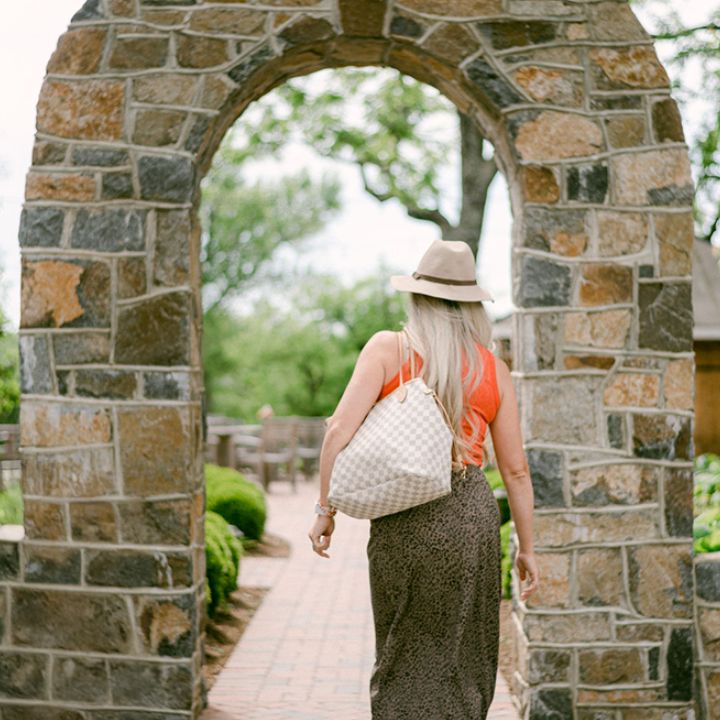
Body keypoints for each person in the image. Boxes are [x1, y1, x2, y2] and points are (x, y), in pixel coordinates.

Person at [308, 239, 539, 719]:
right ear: (471, 304)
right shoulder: (493, 368)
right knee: (464, 648)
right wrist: (527, 547)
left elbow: (336, 431)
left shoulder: (390, 349)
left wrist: (325, 509)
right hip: (470, 512)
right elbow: (515, 470)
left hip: (405, 512)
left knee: (402, 643)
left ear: (418, 296)